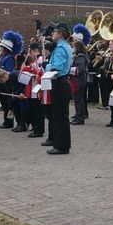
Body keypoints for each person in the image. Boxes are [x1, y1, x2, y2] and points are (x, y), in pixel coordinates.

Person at [46, 23, 73, 155]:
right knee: (60, 116)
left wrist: (46, 65)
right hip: (61, 83)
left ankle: (62, 146)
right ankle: (60, 144)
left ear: (61, 34)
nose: (52, 34)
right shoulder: (63, 47)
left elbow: (57, 68)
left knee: (60, 116)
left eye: (55, 32)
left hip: (60, 83)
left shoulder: (61, 48)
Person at [70, 39, 89, 125]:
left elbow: (80, 69)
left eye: (73, 46)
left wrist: (69, 70)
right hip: (77, 80)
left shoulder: (80, 57)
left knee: (78, 99)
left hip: (79, 81)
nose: (72, 48)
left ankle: (80, 118)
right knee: (77, 99)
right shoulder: (77, 56)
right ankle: (78, 115)